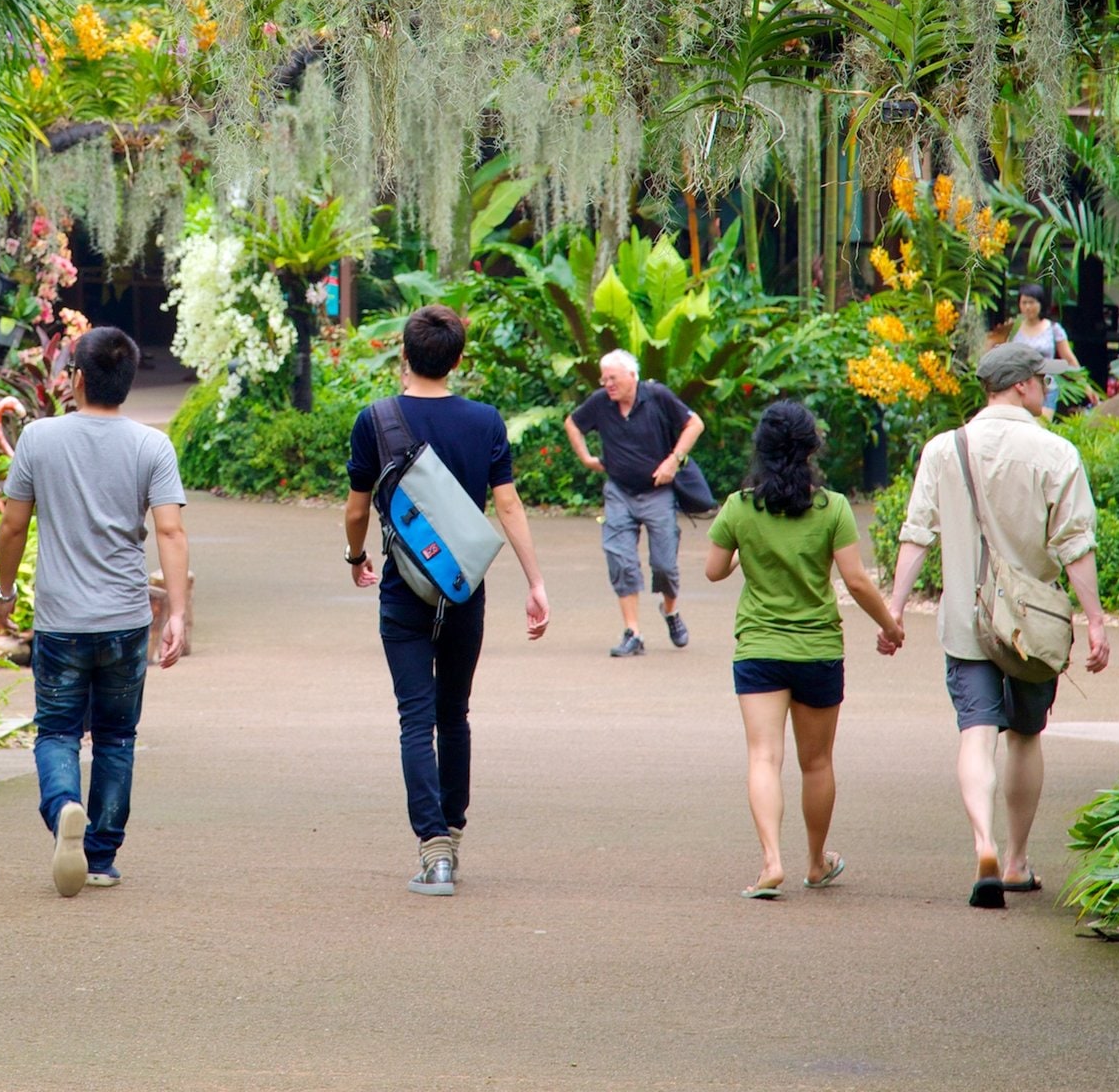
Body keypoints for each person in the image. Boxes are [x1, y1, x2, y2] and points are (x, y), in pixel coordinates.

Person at [886, 342, 1109, 910]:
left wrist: (894, 608)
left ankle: (981, 842)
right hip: (1031, 628)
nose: (1046, 389)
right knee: (1026, 736)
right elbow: (1075, 546)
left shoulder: (944, 450)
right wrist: (1096, 622)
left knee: (976, 734)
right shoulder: (1057, 453)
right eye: (1042, 380)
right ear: (1020, 387)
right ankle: (1014, 860)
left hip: (967, 622)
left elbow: (917, 535)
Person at [344, 304, 553, 896]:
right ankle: (453, 839)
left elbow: (358, 508)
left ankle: (432, 850)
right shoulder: (485, 420)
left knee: (416, 717)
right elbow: (507, 505)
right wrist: (536, 581)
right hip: (465, 589)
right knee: (453, 713)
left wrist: (356, 556)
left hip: (402, 588)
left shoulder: (375, 420)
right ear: (459, 359)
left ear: (404, 356)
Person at [0, 326, 190, 898]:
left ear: (75, 378)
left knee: (56, 731)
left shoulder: (38, 439)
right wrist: (174, 613)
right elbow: (171, 531)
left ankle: (63, 811)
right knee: (115, 737)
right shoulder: (152, 446)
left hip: (59, 619)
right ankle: (100, 855)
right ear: (127, 381)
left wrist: (6, 594)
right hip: (127, 618)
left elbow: (12, 524)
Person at [702, 401, 906, 900]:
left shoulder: (739, 506)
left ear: (762, 449)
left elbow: (713, 570)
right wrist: (891, 626)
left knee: (763, 758)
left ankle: (771, 862)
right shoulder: (832, 507)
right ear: (812, 447)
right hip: (817, 649)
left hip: (759, 648)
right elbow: (856, 581)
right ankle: (815, 862)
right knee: (816, 763)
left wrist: (744, 553)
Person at [565, 350, 705, 656]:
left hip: (658, 492)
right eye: (604, 378)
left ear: (631, 376)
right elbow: (572, 424)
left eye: (612, 378)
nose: (607, 384)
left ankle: (670, 612)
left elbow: (695, 424)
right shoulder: (601, 402)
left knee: (664, 565)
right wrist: (587, 459)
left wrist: (673, 461)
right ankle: (633, 632)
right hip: (619, 492)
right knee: (621, 559)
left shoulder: (657, 396)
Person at [1005, 284, 1079, 415]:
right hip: (1018, 387)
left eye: (1032, 302)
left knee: (1042, 427)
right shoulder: (1012, 329)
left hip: (1046, 385)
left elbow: (1068, 358)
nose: (1028, 307)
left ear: (1041, 304)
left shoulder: (1053, 328)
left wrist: (1084, 383)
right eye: (1024, 302)